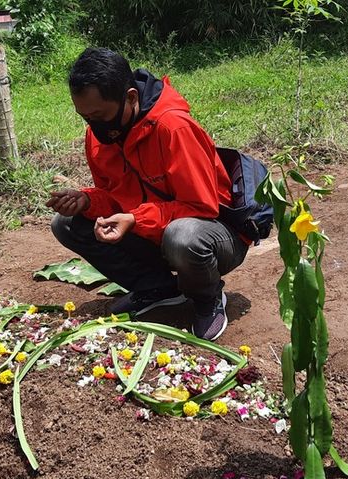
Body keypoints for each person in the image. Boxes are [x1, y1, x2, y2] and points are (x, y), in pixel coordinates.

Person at [46, 47, 249, 341]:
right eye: (85, 117)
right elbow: (114, 195)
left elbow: (201, 207)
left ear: (130, 97)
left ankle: (207, 297)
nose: (93, 125)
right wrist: (88, 201)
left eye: (100, 115)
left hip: (214, 234)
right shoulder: (98, 136)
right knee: (66, 224)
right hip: (155, 230)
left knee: (183, 236)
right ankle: (156, 288)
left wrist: (135, 219)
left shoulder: (172, 128)